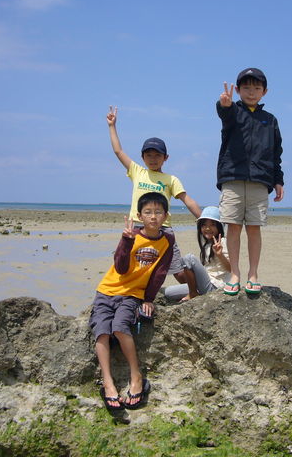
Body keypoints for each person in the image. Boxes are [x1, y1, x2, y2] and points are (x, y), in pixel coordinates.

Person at [89, 192, 174, 410]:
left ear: (166, 216)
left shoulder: (167, 240)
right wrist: (126, 241)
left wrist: (149, 299)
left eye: (158, 212)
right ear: (139, 215)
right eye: (148, 212)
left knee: (120, 328)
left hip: (132, 295)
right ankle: (108, 383)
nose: (153, 217)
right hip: (107, 291)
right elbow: (120, 267)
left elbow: (160, 272)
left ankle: (136, 377)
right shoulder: (131, 235)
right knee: (102, 331)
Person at [106, 106, 201, 284]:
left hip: (163, 228)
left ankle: (197, 289)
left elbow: (187, 200)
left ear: (166, 158)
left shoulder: (171, 179)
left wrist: (203, 219)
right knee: (132, 265)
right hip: (138, 227)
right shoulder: (137, 172)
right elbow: (118, 151)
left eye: (157, 155)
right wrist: (112, 126)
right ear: (142, 157)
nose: (153, 159)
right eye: (148, 155)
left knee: (177, 270)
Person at [216, 67, 284, 296]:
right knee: (233, 227)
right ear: (237, 90)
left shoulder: (270, 120)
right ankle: (234, 273)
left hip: (260, 181)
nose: (251, 92)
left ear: (265, 91)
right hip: (232, 178)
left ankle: (253, 274)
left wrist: (278, 180)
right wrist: (224, 105)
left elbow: (276, 153)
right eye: (246, 87)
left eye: (256, 88)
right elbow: (224, 114)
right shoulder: (233, 111)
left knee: (254, 228)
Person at [164, 206, 230, 302]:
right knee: (169, 292)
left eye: (212, 225)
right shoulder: (207, 244)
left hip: (216, 286)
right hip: (204, 284)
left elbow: (231, 269)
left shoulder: (223, 242)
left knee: (188, 258)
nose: (207, 228)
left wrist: (220, 255)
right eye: (204, 225)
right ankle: (194, 291)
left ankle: (193, 293)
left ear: (219, 227)